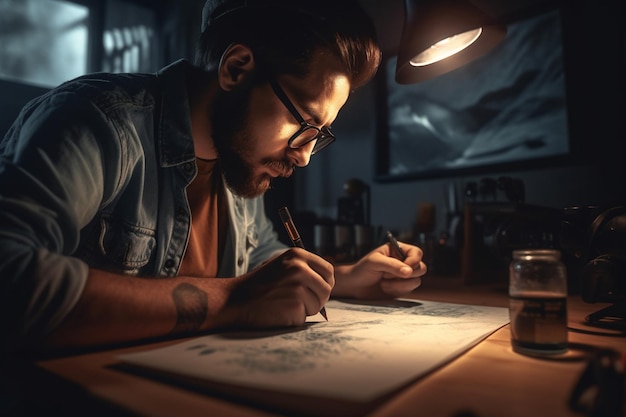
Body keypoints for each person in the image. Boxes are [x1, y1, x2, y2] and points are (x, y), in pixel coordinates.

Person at [0, 0, 426, 353]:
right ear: (237, 69)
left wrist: (346, 277)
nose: (305, 157)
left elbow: (262, 263)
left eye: (321, 136)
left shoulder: (238, 158)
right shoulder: (97, 122)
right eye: (304, 125)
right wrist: (233, 301)